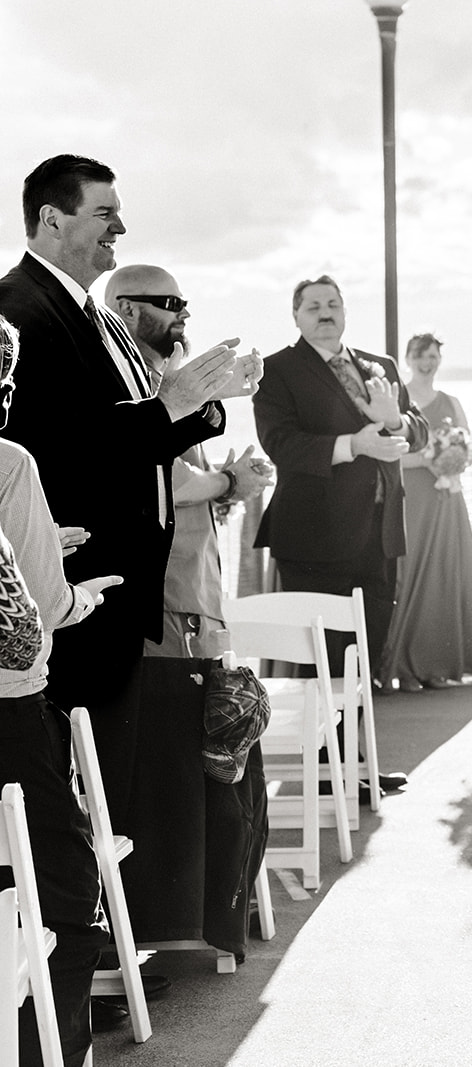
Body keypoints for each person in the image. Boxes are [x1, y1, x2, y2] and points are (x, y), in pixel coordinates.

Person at [0, 155, 252, 834]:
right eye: (105, 213)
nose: (122, 226)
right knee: (69, 786)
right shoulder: (16, 309)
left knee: (106, 783)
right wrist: (166, 404)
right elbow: (48, 447)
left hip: (114, 601)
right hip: (68, 591)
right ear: (52, 220)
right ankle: (79, 932)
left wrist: (200, 404)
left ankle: (105, 925)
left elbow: (138, 431)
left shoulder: (96, 315)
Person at [104, 265, 273, 960]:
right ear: (124, 309)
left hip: (199, 604)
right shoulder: (139, 395)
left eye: (184, 303)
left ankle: (208, 917)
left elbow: (191, 492)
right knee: (182, 775)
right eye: (167, 304)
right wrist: (232, 479)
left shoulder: (172, 393)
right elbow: (168, 484)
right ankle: (172, 928)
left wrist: (228, 486)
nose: (181, 316)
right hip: (167, 613)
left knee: (214, 763)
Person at [0, 314, 120, 1067]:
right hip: (10, 718)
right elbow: (33, 616)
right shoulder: (9, 464)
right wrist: (77, 597)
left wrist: (34, 542)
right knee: (67, 907)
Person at [252, 275, 428, 692]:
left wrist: (392, 420)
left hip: (380, 534)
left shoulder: (380, 365)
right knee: (325, 656)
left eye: (333, 304)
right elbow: (281, 444)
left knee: (370, 646)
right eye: (313, 307)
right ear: (296, 316)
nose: (325, 313)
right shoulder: (277, 370)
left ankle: (356, 749)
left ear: (345, 311)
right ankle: (327, 749)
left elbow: (419, 431)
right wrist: (355, 444)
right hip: (315, 536)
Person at [382, 333, 472, 692]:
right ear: (408, 358)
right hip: (413, 498)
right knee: (411, 573)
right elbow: (391, 453)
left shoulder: (451, 402)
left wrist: (451, 460)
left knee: (449, 572)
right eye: (421, 355)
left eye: (433, 356)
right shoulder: (399, 401)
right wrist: (427, 459)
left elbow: (467, 448)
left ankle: (441, 664)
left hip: (447, 499)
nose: (428, 362)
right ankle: (406, 667)